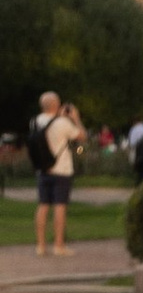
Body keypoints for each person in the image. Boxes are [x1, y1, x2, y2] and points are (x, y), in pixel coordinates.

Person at [30, 94, 80, 255]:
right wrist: (75, 118)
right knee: (60, 206)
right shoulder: (62, 123)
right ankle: (59, 245)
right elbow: (81, 135)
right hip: (61, 168)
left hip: (43, 169)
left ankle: (40, 245)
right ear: (57, 104)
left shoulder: (34, 121)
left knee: (43, 205)